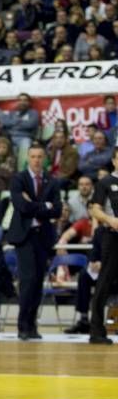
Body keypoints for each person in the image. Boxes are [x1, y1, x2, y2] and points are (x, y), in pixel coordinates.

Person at [5, 144, 62, 340]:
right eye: (33, 156)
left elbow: (58, 210)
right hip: (25, 236)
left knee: (38, 281)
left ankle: (32, 326)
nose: (37, 160)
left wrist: (34, 205)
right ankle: (22, 326)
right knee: (28, 280)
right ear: (28, 158)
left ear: (44, 159)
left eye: (40, 156)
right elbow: (21, 206)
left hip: (44, 237)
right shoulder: (18, 179)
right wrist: (44, 206)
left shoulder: (52, 181)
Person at [87, 148, 118, 345]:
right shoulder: (106, 182)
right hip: (113, 236)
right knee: (105, 281)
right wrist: (111, 220)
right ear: (114, 160)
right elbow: (95, 210)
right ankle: (96, 330)